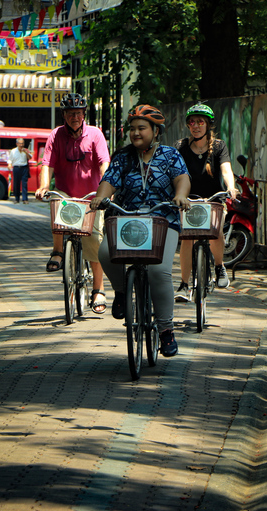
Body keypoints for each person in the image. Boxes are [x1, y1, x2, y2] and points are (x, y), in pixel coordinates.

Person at [89, 105, 191, 357]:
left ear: (155, 131)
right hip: (126, 220)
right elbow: (108, 181)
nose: (135, 132)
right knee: (104, 253)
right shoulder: (122, 157)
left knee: (159, 271)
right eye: (132, 128)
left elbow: (182, 179)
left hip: (162, 220)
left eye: (141, 128)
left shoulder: (170, 155)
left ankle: (166, 330)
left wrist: (180, 196)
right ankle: (122, 292)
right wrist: (100, 198)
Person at [35, 93, 111, 314]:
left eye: (78, 113)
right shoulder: (56, 135)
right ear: (64, 115)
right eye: (70, 114)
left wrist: (105, 193)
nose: (74, 117)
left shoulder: (95, 134)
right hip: (66, 193)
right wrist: (43, 187)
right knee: (55, 201)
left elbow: (103, 164)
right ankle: (57, 252)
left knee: (95, 241)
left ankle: (98, 289)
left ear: (84, 114)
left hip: (92, 197)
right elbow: (47, 164)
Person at [173, 103, 237, 302]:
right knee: (187, 238)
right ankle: (184, 284)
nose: (196, 126)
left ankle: (219, 267)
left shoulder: (218, 146)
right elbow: (173, 171)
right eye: (192, 122)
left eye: (201, 122)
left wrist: (231, 187)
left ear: (208, 124)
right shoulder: (181, 147)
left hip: (213, 199)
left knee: (216, 230)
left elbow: (226, 170)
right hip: (188, 202)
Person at [7, 138, 32, 204]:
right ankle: (16, 198)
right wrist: (9, 165)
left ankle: (25, 199)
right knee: (16, 184)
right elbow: (10, 160)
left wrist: (26, 152)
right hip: (16, 168)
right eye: (20, 143)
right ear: (17, 144)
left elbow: (30, 157)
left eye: (22, 143)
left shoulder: (25, 150)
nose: (21, 145)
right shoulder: (13, 151)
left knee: (24, 184)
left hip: (24, 168)